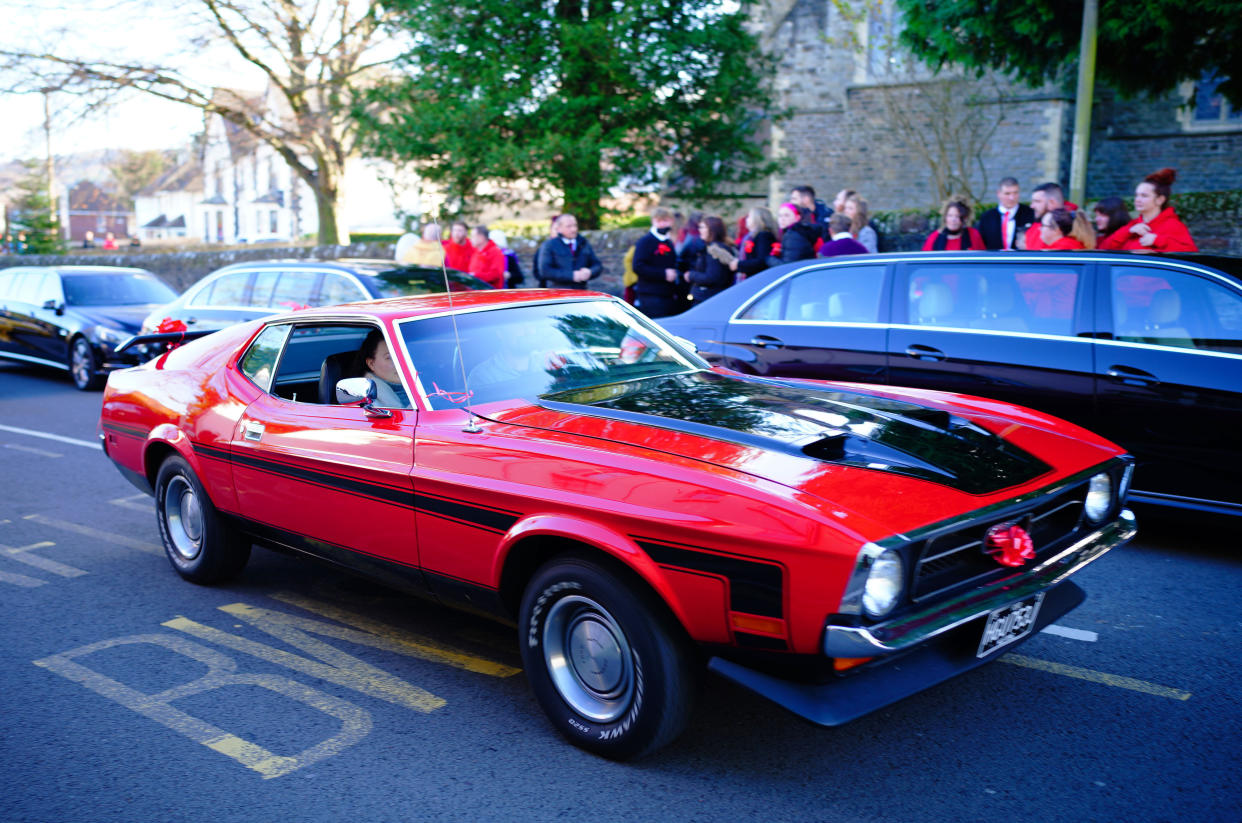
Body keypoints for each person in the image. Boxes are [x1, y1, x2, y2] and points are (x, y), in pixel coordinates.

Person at [1099, 168, 1197, 252]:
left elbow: (1191, 254)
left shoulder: (1173, 225)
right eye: (1136, 195)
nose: (1137, 199)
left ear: (1160, 200)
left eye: (1144, 196)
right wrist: (1127, 232)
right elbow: (1103, 249)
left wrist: (1158, 241)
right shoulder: (1133, 225)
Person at [632, 206, 682, 318]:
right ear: (653, 221)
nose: (662, 224)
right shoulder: (645, 241)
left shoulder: (668, 241)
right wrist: (663, 274)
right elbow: (638, 267)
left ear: (671, 221)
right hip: (651, 295)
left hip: (667, 294)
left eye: (665, 221)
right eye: (659, 221)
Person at [536, 213, 603, 289]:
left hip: (581, 292)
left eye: (575, 225)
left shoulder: (583, 243)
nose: (574, 229)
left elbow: (597, 265)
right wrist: (571, 275)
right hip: (558, 292)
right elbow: (545, 271)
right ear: (559, 229)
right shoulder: (549, 245)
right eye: (569, 226)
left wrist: (590, 272)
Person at [684, 215, 735, 305]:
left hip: (708, 298)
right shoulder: (717, 247)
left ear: (712, 230)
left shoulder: (715, 249)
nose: (700, 230)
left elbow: (712, 277)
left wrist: (691, 275)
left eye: (702, 227)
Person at [976, 177, 1035, 250]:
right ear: (998, 193)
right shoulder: (987, 217)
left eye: (1015, 193)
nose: (1012, 198)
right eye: (1007, 193)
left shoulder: (1030, 214)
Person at [357, 329, 411, 409]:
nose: (401, 362)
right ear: (371, 364)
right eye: (389, 357)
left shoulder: (425, 385)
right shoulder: (368, 401)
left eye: (403, 355)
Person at [1019, 182, 1076, 250]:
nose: (1032, 206)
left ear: (1052, 202)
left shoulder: (1076, 226)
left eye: (1037, 201)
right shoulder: (1036, 227)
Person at [734, 206, 778, 281]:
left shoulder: (763, 236)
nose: (746, 219)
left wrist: (739, 264)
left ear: (758, 219)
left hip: (758, 279)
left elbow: (762, 261)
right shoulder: (752, 236)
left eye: (749, 217)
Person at [531, 215, 559, 287]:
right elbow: (537, 271)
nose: (559, 232)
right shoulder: (544, 248)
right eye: (556, 229)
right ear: (551, 230)